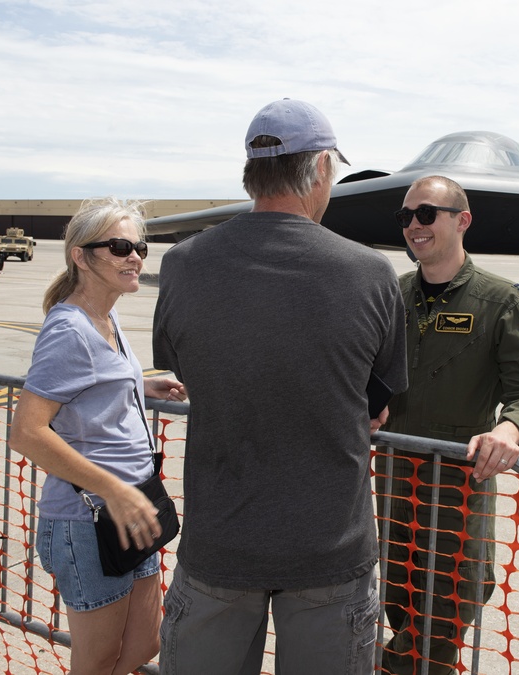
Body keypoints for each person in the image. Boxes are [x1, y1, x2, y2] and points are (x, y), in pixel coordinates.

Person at [152, 99, 408, 674]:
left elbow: (186, 371)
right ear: (320, 168)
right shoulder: (369, 272)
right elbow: (377, 404)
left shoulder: (185, 264)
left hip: (220, 546)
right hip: (329, 554)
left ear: (251, 172)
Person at [376, 175, 519, 675]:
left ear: (462, 220)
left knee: (451, 598)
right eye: (405, 216)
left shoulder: (500, 301)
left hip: (458, 482)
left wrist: (511, 431)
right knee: (398, 590)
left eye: (426, 214)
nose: (414, 226)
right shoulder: (391, 295)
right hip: (392, 479)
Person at [8, 197, 187, 675]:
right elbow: (26, 433)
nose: (135, 257)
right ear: (81, 256)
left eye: (139, 247)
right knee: (98, 660)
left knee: (145, 642)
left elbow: (88, 385)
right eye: (120, 246)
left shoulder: (106, 318)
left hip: (131, 507)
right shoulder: (69, 329)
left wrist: (138, 383)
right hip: (88, 520)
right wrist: (112, 490)